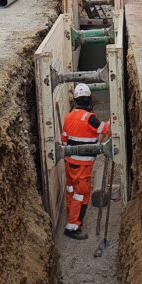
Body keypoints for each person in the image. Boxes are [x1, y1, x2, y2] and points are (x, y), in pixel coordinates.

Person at [60, 83, 110, 240]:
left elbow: (64, 138)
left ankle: (71, 217)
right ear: (88, 99)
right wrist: (112, 119)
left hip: (69, 162)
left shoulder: (68, 116)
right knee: (80, 195)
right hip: (83, 165)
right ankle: (73, 226)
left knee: (70, 190)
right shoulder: (90, 118)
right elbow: (105, 129)